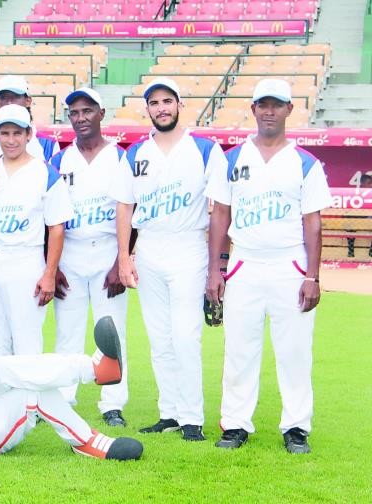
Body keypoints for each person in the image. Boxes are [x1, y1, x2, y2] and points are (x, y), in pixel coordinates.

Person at [206, 79, 332, 454]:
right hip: (244, 262)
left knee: (294, 350)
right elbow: (220, 216)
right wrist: (216, 271)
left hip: (289, 264)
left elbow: (313, 222)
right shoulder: (232, 159)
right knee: (239, 349)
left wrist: (312, 275)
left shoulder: (305, 163)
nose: (269, 111)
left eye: (277, 105)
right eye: (263, 104)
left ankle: (296, 427)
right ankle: (235, 425)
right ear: (253, 108)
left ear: (290, 110)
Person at [109, 77, 226, 442]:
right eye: (155, 102)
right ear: (147, 109)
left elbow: (222, 208)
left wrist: (216, 266)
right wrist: (124, 258)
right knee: (159, 338)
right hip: (149, 249)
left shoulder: (205, 150)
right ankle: (169, 412)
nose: (161, 108)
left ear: (179, 105)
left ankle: (192, 417)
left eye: (167, 101)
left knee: (186, 336)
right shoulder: (135, 153)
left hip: (188, 245)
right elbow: (124, 207)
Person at [0, 104, 74, 358]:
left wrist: (49, 274)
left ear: (28, 135)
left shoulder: (45, 172)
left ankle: (28, 399)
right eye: (5, 133)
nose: (11, 140)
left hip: (24, 259)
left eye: (17, 133)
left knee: (26, 340)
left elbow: (56, 228)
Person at [50, 88, 130, 427]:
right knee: (67, 332)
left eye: (87, 111)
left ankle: (112, 403)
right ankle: (63, 399)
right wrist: (50, 266)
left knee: (111, 330)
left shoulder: (119, 157)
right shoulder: (59, 159)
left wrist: (121, 262)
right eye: (74, 112)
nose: (81, 118)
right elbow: (49, 216)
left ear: (101, 113)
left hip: (107, 252)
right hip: (69, 253)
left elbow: (130, 211)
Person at [0, 75, 59, 165]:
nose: (10, 103)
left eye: (16, 97)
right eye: (4, 98)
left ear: (28, 101)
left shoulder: (49, 145)